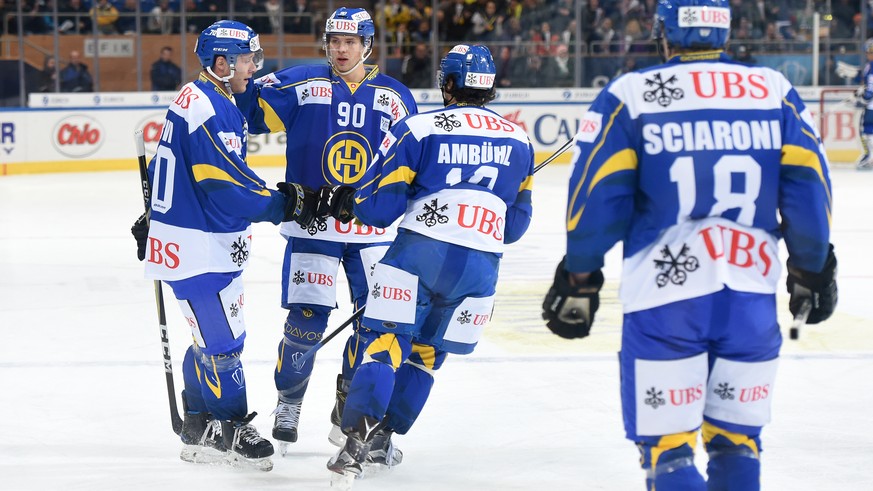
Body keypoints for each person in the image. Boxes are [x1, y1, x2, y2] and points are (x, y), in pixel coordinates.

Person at [540, 0, 838, 490]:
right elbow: (809, 183)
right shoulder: (773, 90)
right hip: (750, 297)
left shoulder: (633, 94)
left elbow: (596, 198)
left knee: (668, 450)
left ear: (663, 30)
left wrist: (580, 275)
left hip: (665, 302)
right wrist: (811, 268)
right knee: (737, 442)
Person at [321, 44, 535, 486]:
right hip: (479, 270)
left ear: (448, 82)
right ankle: (383, 439)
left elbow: (379, 208)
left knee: (385, 343)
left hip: (419, 254)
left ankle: (354, 445)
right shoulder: (521, 141)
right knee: (426, 356)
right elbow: (513, 228)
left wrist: (353, 201)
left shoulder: (419, 129)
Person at [129, 20, 318, 471]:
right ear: (222, 62)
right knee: (223, 343)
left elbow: (180, 166)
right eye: (249, 58)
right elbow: (224, 185)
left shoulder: (201, 99)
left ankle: (198, 423)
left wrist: (154, 212)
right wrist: (283, 204)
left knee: (206, 338)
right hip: (200, 247)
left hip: (195, 241)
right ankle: (232, 429)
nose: (255, 66)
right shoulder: (210, 106)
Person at [235, 6, 418, 456]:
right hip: (313, 224)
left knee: (373, 325)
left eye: (350, 42)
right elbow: (241, 103)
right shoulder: (302, 83)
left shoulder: (396, 97)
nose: (340, 49)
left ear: (367, 45)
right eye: (334, 41)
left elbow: (410, 162)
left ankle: (348, 409)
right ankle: (289, 402)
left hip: (371, 229)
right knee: (305, 322)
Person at [855, 39, 873, 170]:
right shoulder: (868, 66)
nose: (867, 54)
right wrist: (858, 76)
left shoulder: (871, 66)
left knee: (866, 130)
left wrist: (862, 98)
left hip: (872, 106)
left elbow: (870, 89)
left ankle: (869, 157)